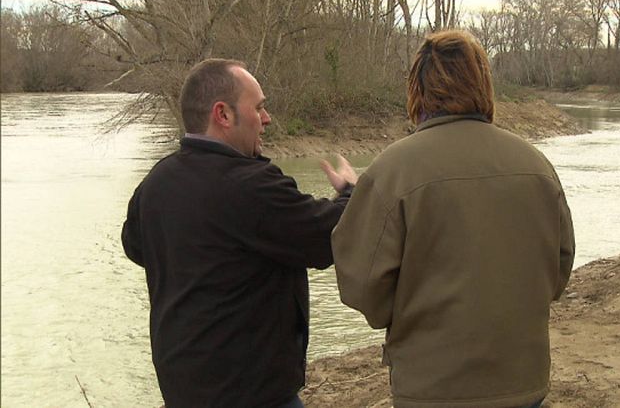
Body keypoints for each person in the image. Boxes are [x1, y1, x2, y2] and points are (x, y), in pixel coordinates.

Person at [331, 30, 575, 408]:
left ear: (417, 89)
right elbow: (558, 272)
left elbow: (362, 289)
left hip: (433, 390)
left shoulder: (392, 170)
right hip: (522, 382)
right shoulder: (537, 166)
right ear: (484, 85)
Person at [121, 59, 357, 408]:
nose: (267, 118)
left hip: (183, 390)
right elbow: (329, 237)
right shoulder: (249, 185)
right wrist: (352, 192)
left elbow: (135, 246)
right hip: (251, 394)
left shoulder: (156, 182)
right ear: (223, 114)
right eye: (259, 107)